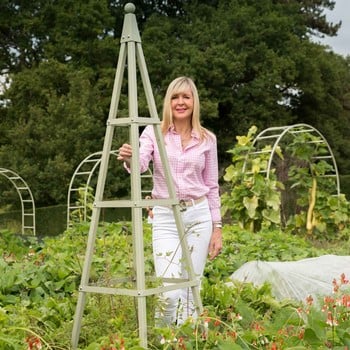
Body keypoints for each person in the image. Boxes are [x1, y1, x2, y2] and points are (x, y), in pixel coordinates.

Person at [118, 76, 222, 326]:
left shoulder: (208, 139)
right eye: (175, 97)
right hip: (165, 217)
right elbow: (141, 163)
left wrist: (217, 227)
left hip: (199, 217)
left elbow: (211, 185)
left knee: (190, 290)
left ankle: (187, 340)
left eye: (186, 96)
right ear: (168, 102)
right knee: (170, 292)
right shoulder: (154, 132)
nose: (180, 102)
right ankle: (162, 339)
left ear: (194, 101)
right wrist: (129, 157)